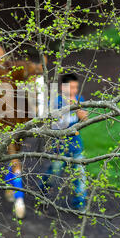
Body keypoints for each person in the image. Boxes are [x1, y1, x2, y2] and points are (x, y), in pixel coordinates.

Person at [39, 73, 89, 211]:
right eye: (71, 87)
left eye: (76, 87)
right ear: (63, 87)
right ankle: (43, 194)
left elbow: (84, 118)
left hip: (76, 145)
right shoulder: (56, 102)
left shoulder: (79, 99)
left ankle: (79, 204)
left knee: (80, 175)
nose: (74, 91)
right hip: (60, 147)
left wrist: (76, 106)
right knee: (54, 174)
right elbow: (52, 124)